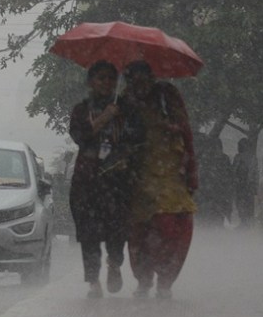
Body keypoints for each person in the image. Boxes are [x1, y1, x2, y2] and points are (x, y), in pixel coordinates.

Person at [121, 61, 197, 299]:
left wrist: (169, 126)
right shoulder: (123, 101)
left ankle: (165, 281)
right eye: (134, 81)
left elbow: (185, 131)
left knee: (172, 231)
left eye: (144, 80)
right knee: (138, 234)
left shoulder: (167, 95)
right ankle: (143, 280)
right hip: (138, 178)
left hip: (171, 177)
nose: (140, 86)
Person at [67, 60, 130, 298]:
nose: (106, 83)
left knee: (118, 230)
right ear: (90, 82)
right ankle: (93, 281)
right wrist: (104, 118)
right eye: (101, 78)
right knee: (89, 233)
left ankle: (114, 264)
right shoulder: (81, 110)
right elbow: (80, 137)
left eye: (111, 78)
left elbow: (137, 136)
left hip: (118, 182)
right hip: (88, 182)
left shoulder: (125, 109)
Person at [232, 137, 258, 228]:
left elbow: (234, 171)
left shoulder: (238, 157)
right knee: (248, 204)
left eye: (239, 145)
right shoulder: (253, 158)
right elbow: (255, 173)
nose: (238, 147)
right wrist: (255, 187)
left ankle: (244, 222)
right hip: (248, 186)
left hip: (241, 185)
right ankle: (247, 222)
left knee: (241, 203)